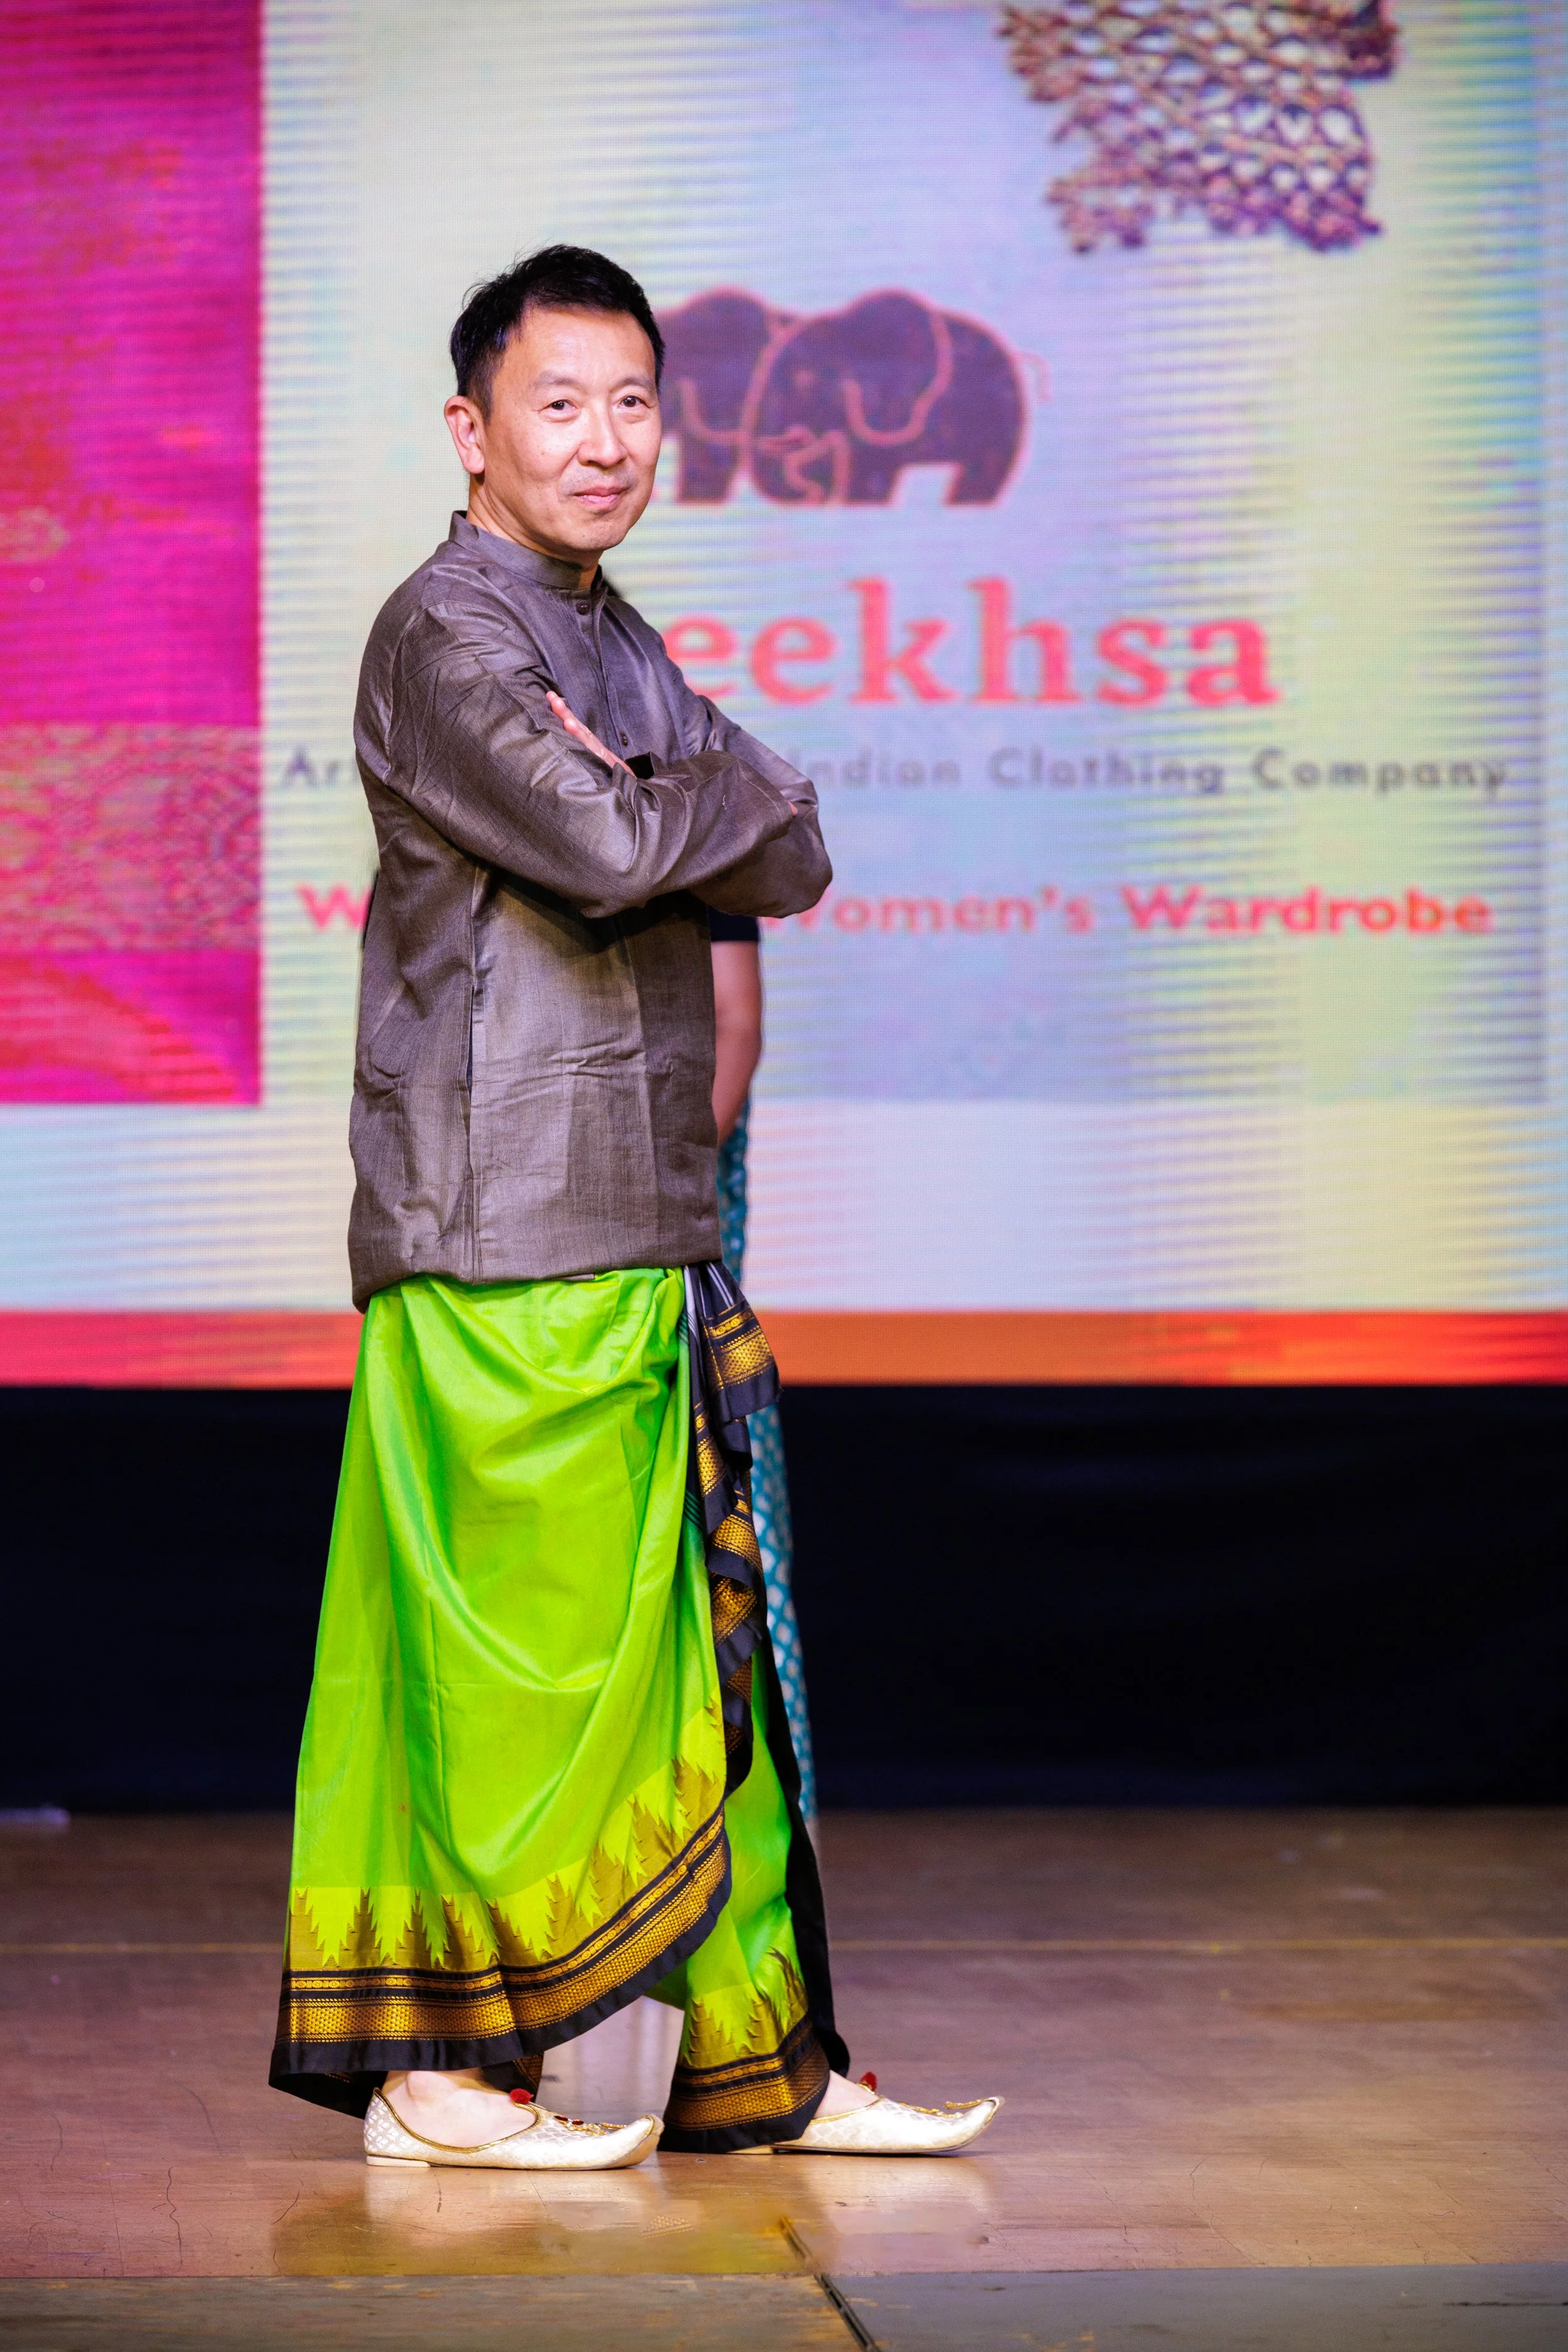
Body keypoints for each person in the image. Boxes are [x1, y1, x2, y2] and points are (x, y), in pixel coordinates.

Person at [268, 245, 999, 2169]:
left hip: (643, 1219)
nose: (603, 444)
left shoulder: (608, 633)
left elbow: (803, 835)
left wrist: (709, 780)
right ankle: (441, 2071)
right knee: (512, 1683)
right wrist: (718, 784)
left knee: (711, 1679)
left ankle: (769, 2060)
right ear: (474, 429)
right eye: (559, 404)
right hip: (500, 1225)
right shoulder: (447, 632)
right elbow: (614, 843)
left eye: (632, 405)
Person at [708, 909, 817, 1823]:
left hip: (661, 1216)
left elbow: (734, 1021)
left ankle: (753, 1823)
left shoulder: (684, 804)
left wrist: (651, 1171)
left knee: (720, 1500)